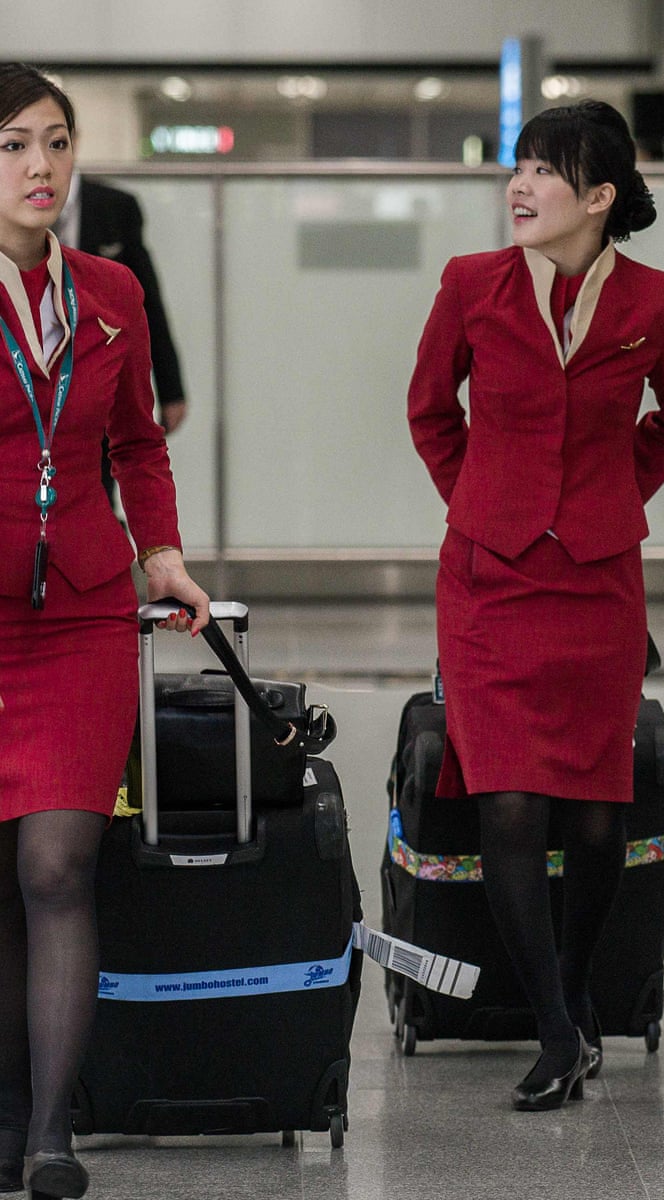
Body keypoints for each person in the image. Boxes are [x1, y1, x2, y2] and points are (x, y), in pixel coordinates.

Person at [407, 99, 664, 1111]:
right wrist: (482, 500)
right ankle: (551, 1030)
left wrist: (610, 496)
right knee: (507, 804)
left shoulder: (660, 301)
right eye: (519, 166)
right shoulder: (471, 283)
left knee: (595, 819)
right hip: (487, 581)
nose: (521, 186)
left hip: (597, 580)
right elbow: (428, 410)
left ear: (600, 195)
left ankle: (575, 996)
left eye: (545, 170)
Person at [0, 64, 209, 1198]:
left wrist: (160, 552)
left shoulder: (110, 291)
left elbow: (137, 443)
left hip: (78, 607)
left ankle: (50, 1137)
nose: (41, 166)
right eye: (13, 146)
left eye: (56, 141)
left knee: (56, 863)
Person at [54, 174, 187, 505]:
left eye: (57, 147)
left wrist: (170, 387)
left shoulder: (115, 207)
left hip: (95, 387)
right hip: (24, 387)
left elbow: (146, 303)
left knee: (96, 496)